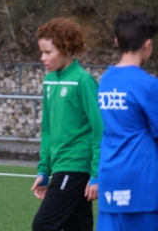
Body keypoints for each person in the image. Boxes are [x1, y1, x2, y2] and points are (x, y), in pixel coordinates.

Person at [30, 17, 103, 231]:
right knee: (79, 227)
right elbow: (48, 129)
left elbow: (100, 130)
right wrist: (44, 169)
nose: (42, 58)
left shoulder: (83, 81)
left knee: (43, 225)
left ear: (66, 49)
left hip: (75, 166)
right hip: (61, 165)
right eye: (41, 52)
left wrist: (97, 174)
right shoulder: (50, 81)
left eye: (48, 52)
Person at [96, 10, 158, 230]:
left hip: (110, 177)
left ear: (116, 41)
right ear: (147, 44)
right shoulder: (148, 85)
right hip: (141, 181)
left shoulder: (105, 81)